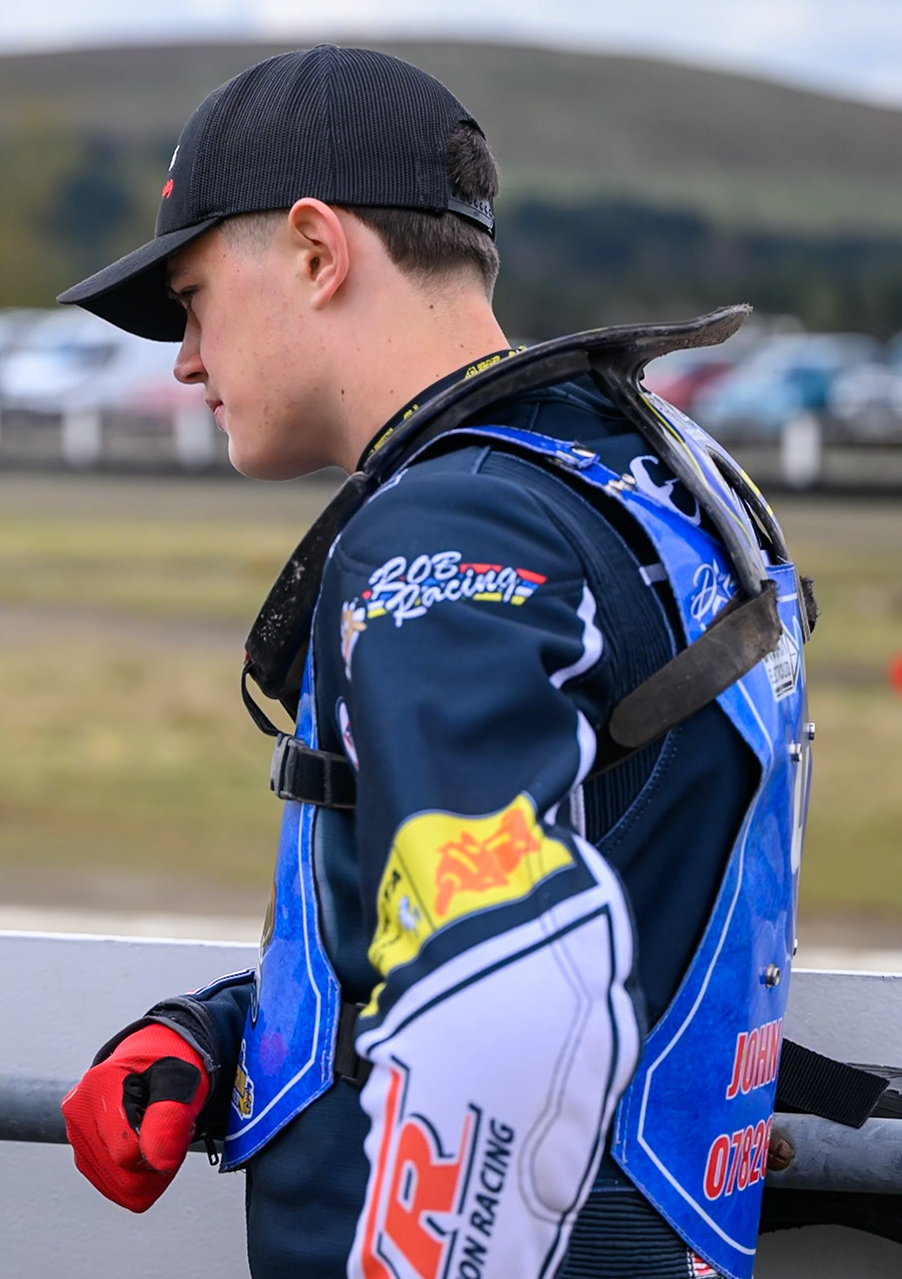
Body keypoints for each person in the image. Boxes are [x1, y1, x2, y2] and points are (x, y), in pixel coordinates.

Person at [55, 47, 814, 1279]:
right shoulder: (644, 470)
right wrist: (235, 1030)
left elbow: (509, 994)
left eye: (191, 299)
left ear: (315, 252)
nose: (184, 361)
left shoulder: (446, 530)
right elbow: (611, 875)